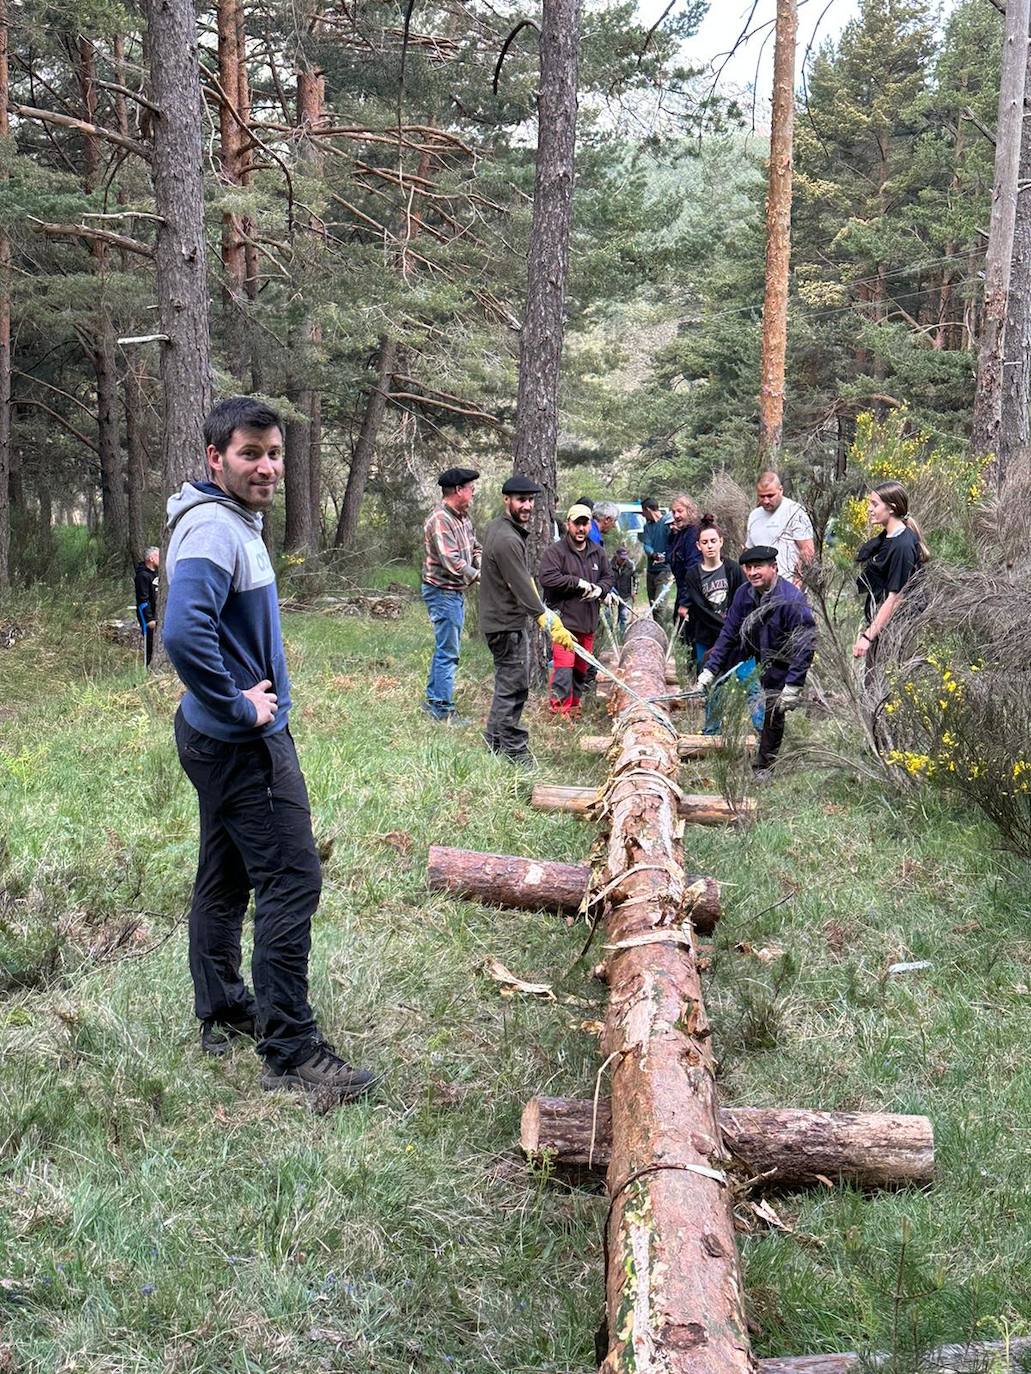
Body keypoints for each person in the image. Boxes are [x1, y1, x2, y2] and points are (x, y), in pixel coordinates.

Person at [164, 395, 374, 1103]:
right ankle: (291, 1049)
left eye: (275, 453)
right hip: (238, 742)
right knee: (292, 878)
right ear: (214, 457)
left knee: (224, 876)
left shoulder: (227, 521)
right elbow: (182, 632)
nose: (267, 466)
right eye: (251, 453)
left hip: (217, 735)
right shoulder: (213, 530)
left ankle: (224, 1010)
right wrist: (237, 705)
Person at [479, 475, 576, 764]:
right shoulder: (508, 538)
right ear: (506, 499)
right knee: (514, 686)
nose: (527, 506)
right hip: (505, 624)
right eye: (521, 500)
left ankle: (494, 743)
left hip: (499, 621)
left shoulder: (500, 528)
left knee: (507, 684)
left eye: (531, 500)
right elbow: (520, 585)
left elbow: (519, 579)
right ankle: (514, 751)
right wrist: (547, 621)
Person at [696, 544, 816, 774]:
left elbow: (805, 645)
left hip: (781, 658)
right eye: (748, 568)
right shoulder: (744, 593)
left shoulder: (791, 599)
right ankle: (712, 724)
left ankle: (764, 765)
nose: (752, 573)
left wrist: (793, 685)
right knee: (711, 658)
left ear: (774, 568)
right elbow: (730, 632)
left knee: (773, 710)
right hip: (752, 646)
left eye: (758, 567)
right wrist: (710, 670)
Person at [675, 516, 759, 735]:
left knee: (750, 682)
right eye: (705, 542)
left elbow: (743, 601)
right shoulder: (693, 574)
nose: (710, 546)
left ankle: (763, 729)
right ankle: (712, 731)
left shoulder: (733, 569)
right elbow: (701, 609)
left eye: (713, 541)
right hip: (707, 637)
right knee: (714, 684)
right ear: (698, 546)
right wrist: (725, 630)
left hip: (738, 639)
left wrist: (733, 630)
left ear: (721, 541)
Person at [539, 503, 614, 714]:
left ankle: (574, 706)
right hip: (563, 623)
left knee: (581, 669)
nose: (581, 529)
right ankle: (559, 711)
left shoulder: (597, 552)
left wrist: (601, 590)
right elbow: (547, 578)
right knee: (564, 667)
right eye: (577, 524)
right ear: (568, 525)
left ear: (590, 525)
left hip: (588, 621)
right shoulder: (556, 551)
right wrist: (577, 582)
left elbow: (608, 577)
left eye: (585, 524)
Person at [420, 466, 481, 722]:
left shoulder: (463, 518)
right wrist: (477, 576)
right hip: (442, 592)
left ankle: (434, 700)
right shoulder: (440, 520)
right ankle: (442, 710)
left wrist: (479, 563)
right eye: (470, 488)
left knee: (444, 647)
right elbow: (450, 560)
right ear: (458, 490)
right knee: (448, 651)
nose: (473, 493)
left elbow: (475, 547)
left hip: (454, 592)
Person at [853, 481, 929, 660]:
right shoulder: (887, 538)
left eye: (875, 504)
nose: (869, 509)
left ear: (892, 508)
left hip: (896, 630)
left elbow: (895, 598)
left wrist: (867, 637)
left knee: (882, 683)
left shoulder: (902, 546)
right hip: (882, 625)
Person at [746, 471, 815, 586]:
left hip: (788, 586)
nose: (766, 500)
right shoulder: (754, 515)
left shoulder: (795, 511)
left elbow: (807, 550)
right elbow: (749, 552)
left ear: (781, 490)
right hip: (760, 589)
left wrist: (797, 584)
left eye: (770, 495)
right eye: (762, 496)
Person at [666, 493, 702, 615]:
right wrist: (673, 535)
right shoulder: (681, 533)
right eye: (673, 512)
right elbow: (670, 557)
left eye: (680, 511)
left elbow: (693, 568)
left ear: (690, 511)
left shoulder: (693, 533)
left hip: (694, 595)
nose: (676, 515)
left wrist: (685, 602)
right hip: (682, 590)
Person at [640, 497, 672, 608]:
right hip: (651, 570)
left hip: (664, 570)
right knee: (653, 606)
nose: (643, 515)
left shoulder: (667, 523)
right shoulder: (647, 527)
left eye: (643, 512)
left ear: (648, 510)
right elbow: (647, 544)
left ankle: (663, 625)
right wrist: (653, 554)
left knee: (660, 606)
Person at [134, 546, 160, 667]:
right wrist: (149, 619)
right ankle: (148, 669)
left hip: (157, 614)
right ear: (151, 558)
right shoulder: (142, 576)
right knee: (149, 645)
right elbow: (142, 600)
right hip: (148, 617)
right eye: (158, 555)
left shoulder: (158, 575)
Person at [610, 544, 637, 636]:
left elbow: (636, 579)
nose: (623, 560)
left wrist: (635, 592)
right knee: (611, 617)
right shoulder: (610, 565)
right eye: (621, 558)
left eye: (625, 558)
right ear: (616, 556)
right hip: (613, 595)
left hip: (625, 595)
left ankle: (622, 635)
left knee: (623, 616)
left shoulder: (630, 565)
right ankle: (612, 636)